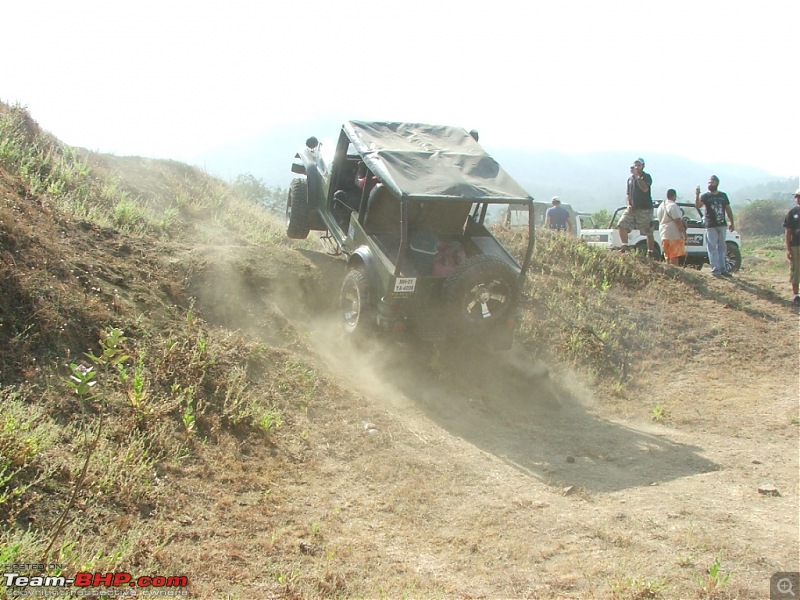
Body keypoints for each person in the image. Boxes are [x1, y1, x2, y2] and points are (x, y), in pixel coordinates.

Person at [695, 175, 735, 278]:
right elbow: (698, 206)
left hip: (721, 224)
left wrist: (732, 222)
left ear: (717, 183)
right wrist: (697, 195)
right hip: (711, 225)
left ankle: (723, 269)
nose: (710, 184)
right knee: (712, 248)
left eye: (712, 182)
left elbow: (728, 209)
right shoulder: (705, 196)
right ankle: (715, 270)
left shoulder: (723, 196)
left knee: (722, 247)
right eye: (709, 182)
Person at [618, 158, 655, 255]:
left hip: (645, 209)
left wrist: (637, 176)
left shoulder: (646, 177)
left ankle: (650, 251)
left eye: (638, 165)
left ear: (643, 166)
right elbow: (628, 194)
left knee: (648, 231)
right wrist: (629, 204)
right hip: (633, 209)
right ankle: (624, 246)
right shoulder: (630, 179)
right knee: (621, 224)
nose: (636, 167)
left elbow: (645, 189)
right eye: (635, 165)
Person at [657, 189, 687, 265]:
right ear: (674, 196)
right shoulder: (673, 206)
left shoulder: (661, 206)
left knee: (667, 255)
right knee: (674, 254)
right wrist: (683, 233)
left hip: (663, 232)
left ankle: (668, 271)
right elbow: (678, 221)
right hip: (673, 234)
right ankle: (674, 271)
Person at [783, 188, 800, 306]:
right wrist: (788, 249)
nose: (798, 199)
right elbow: (788, 232)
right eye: (797, 196)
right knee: (796, 270)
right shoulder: (792, 213)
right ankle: (796, 295)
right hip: (796, 245)